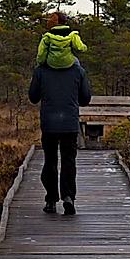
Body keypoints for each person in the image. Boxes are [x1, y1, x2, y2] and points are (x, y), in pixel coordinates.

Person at [28, 48, 91, 215]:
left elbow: (33, 97)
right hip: (70, 124)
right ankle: (68, 197)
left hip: (49, 124)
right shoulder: (78, 70)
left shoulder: (40, 70)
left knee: (50, 161)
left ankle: (50, 200)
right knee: (69, 161)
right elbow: (85, 98)